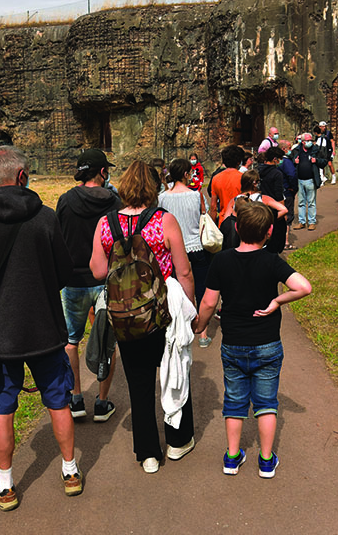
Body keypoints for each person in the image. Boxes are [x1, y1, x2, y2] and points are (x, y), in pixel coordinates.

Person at [0, 145, 81, 511]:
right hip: (44, 326)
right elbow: (64, 271)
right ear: (22, 176)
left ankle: (6, 485)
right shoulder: (45, 217)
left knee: (2, 408)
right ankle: (70, 471)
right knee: (58, 401)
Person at [191, 201, 312, 478]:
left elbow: (209, 302)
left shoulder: (222, 260)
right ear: (269, 232)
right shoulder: (272, 261)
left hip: (233, 343)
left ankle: (232, 457)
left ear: (236, 228)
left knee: (234, 401)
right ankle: (266, 461)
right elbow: (304, 287)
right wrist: (277, 301)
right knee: (266, 403)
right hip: (267, 343)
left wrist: (201, 326)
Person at [90, 160, 197, 474]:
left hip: (125, 315)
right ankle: (178, 441)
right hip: (160, 313)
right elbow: (185, 270)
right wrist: (188, 310)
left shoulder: (105, 223)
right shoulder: (164, 221)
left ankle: (148, 453)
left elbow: (97, 270)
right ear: (153, 188)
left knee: (138, 383)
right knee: (175, 371)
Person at [56, 149, 121, 422]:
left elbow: (58, 240)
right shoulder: (114, 201)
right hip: (106, 278)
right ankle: (102, 402)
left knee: (71, 341)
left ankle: (75, 397)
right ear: (102, 173)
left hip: (73, 280)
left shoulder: (65, 201)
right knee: (107, 338)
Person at [159, 158, 212, 348]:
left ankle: (179, 328)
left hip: (173, 251)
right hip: (195, 246)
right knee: (200, 289)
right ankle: (203, 333)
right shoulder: (196, 195)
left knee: (176, 291)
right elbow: (204, 216)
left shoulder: (163, 197)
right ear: (185, 174)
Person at [257, 147, 290, 252]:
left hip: (259, 207)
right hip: (273, 209)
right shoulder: (276, 174)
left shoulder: (258, 170)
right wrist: (283, 211)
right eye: (280, 159)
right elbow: (279, 195)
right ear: (275, 159)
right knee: (275, 241)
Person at [292, 132, 325, 231]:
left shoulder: (316, 150)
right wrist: (295, 161)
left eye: (311, 140)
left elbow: (324, 161)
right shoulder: (296, 150)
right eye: (307, 140)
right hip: (300, 180)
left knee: (311, 202)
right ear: (302, 142)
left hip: (311, 180)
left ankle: (312, 222)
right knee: (301, 202)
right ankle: (302, 222)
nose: (310, 142)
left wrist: (317, 161)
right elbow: (290, 161)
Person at [210, 145, 245, 227]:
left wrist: (213, 225)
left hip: (223, 221)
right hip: (240, 221)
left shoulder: (216, 178)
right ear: (239, 162)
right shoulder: (243, 178)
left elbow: (213, 207)